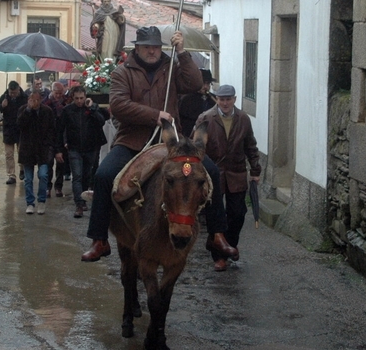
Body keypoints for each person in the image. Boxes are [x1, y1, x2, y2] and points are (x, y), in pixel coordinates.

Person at [81, 26, 238, 265]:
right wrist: (154, 115)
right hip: (132, 140)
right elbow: (119, 104)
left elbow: (195, 82)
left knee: (212, 172)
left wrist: (183, 53)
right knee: (103, 176)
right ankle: (99, 239)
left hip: (172, 142)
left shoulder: (172, 68)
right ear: (138, 48)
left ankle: (217, 235)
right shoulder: (122, 73)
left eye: (156, 46)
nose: (152, 51)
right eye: (147, 47)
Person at [194, 84, 262, 271]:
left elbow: (251, 146)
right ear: (217, 99)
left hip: (236, 172)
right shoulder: (205, 118)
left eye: (228, 99)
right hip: (214, 174)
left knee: (238, 214)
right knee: (216, 216)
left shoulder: (243, 119)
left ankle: (230, 244)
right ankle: (220, 256)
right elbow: (197, 148)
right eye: (221, 99)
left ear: (234, 99)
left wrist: (255, 171)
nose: (225, 103)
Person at [56, 86, 107, 218]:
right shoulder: (67, 110)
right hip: (74, 148)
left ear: (85, 97)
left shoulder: (91, 108)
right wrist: (59, 149)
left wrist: (92, 109)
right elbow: (60, 130)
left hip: (90, 147)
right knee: (77, 176)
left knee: (86, 175)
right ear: (73, 98)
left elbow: (101, 121)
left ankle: (83, 199)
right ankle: (79, 204)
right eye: (77, 98)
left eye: (81, 98)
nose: (79, 101)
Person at [17, 91, 58, 215]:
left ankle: (42, 200)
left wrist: (50, 145)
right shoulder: (23, 110)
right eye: (31, 99)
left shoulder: (47, 111)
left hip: (43, 149)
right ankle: (30, 203)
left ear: (41, 100)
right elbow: (19, 125)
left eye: (36, 100)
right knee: (28, 178)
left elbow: (52, 129)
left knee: (43, 175)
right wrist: (28, 111)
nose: (34, 102)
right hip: (27, 149)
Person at [0, 80, 29, 184]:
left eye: (14, 93)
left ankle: (22, 169)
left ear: (18, 89)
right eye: (11, 93)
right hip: (8, 129)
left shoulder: (25, 97)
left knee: (22, 152)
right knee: (9, 154)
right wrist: (2, 106)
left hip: (21, 129)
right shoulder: (5, 96)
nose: (12, 95)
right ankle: (11, 175)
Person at [47, 81, 70, 197]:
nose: (59, 95)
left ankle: (58, 187)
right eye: (57, 93)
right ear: (52, 91)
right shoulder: (47, 103)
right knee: (49, 162)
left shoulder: (66, 103)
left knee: (61, 164)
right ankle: (48, 186)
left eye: (61, 93)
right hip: (50, 137)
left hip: (61, 137)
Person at [178, 69, 216, 138]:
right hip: (191, 135)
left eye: (208, 84)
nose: (206, 87)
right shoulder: (186, 99)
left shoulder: (213, 98)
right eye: (203, 83)